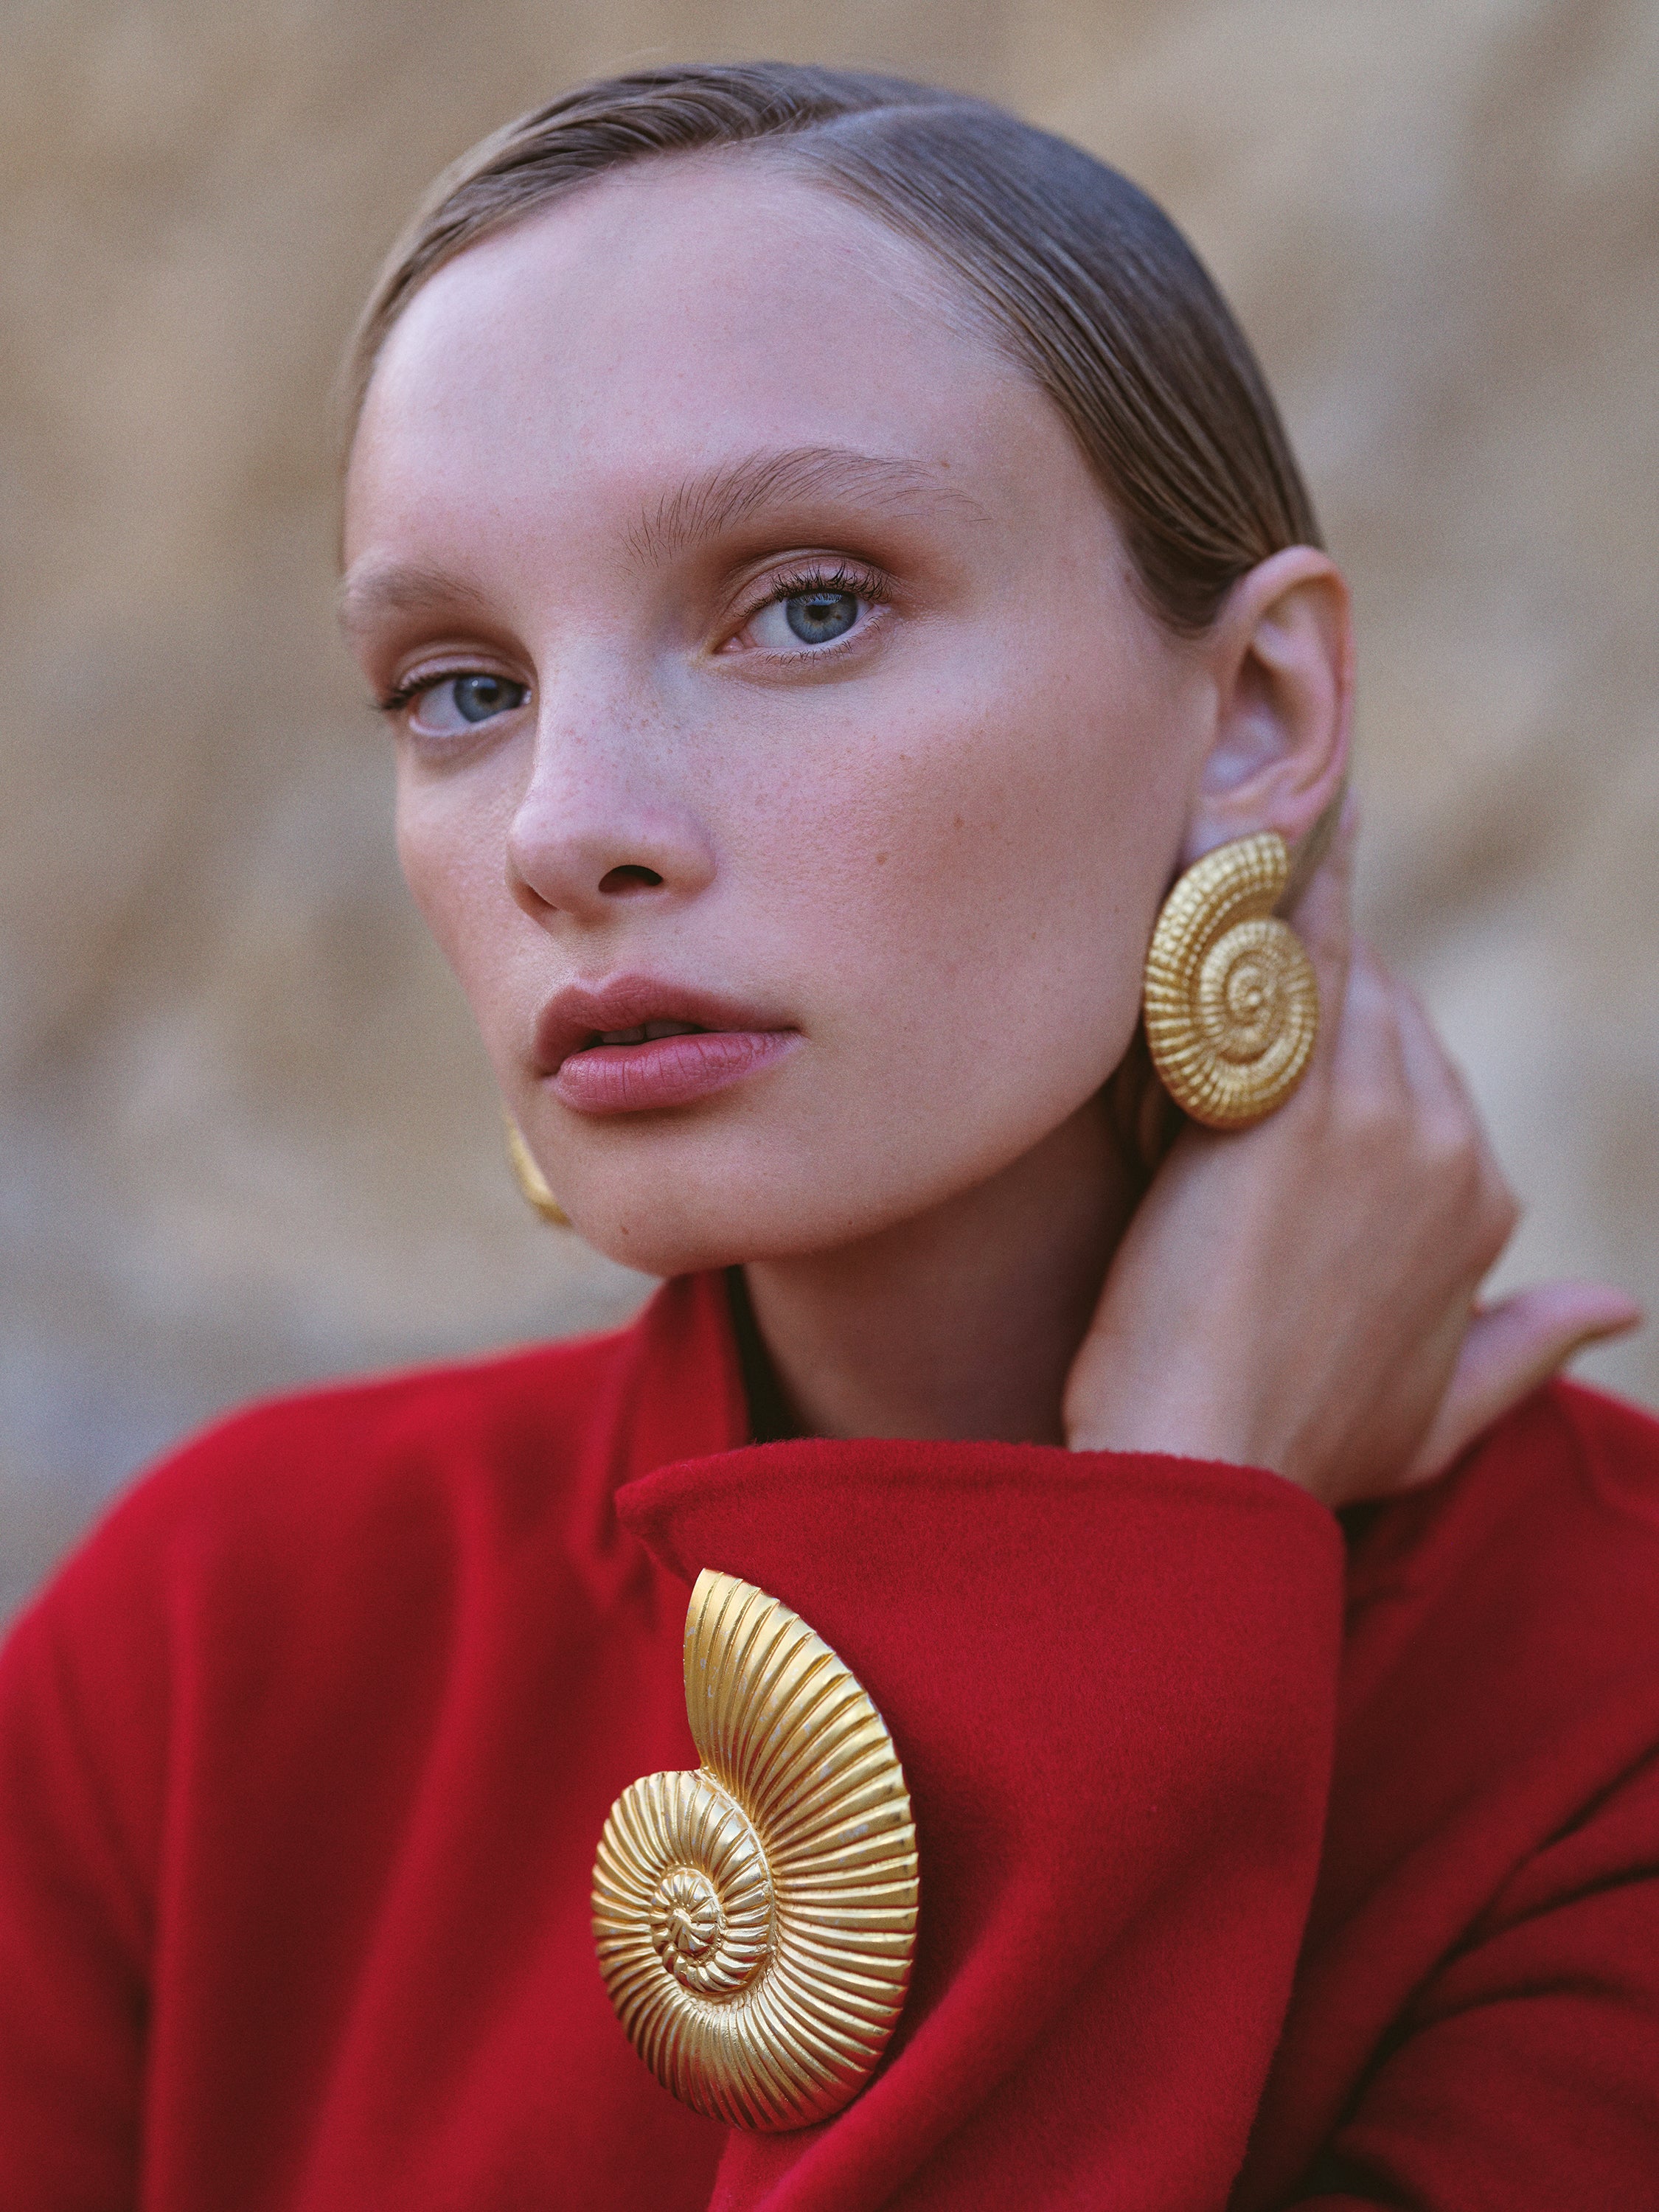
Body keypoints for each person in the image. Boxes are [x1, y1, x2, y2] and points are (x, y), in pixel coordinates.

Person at [1, 62, 1654, 2211]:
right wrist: (1178, 1496)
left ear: (1252, 713)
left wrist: (1153, 1558)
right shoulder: (227, 1647)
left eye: (806, 603)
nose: (566, 823)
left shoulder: (1599, 1712)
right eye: (458, 685)